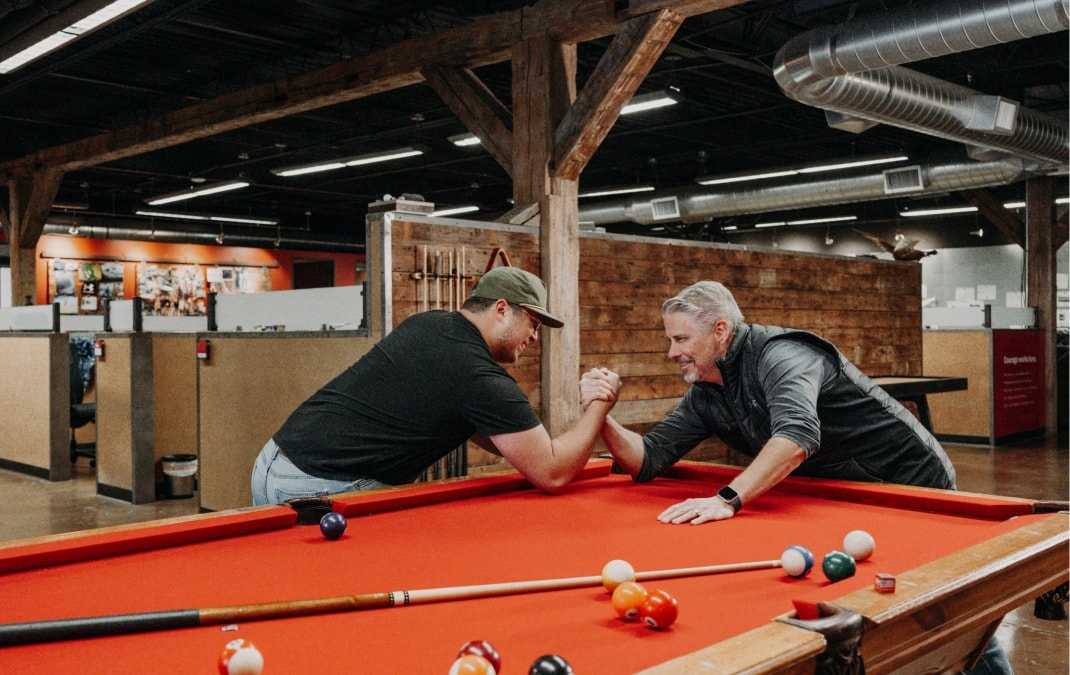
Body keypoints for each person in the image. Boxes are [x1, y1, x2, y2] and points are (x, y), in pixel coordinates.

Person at [580, 279, 1012, 674]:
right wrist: (601, 414)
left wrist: (727, 498)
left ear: (720, 331)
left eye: (680, 339)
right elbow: (650, 457)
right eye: (670, 340)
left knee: (943, 604)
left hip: (909, 483)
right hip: (839, 494)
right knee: (870, 597)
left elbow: (798, 434)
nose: (672, 352)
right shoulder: (706, 393)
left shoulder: (781, 354)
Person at [252, 266, 620, 506]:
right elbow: (552, 474)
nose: (535, 337)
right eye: (534, 324)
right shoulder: (479, 376)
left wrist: (530, 452)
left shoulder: (427, 324)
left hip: (273, 460)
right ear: (502, 309)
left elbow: (480, 428)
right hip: (319, 485)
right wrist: (599, 405)